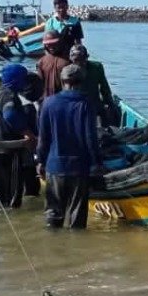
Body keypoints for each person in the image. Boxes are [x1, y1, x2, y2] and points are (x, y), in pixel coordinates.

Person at [37, 65, 103, 228]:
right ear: (81, 81)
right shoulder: (86, 104)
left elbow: (43, 138)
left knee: (53, 215)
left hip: (54, 166)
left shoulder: (48, 103)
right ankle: (76, 250)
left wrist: (40, 161)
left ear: (62, 80)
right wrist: (97, 164)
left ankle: (52, 248)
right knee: (77, 219)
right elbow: (90, 137)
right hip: (79, 168)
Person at [0, 64, 37, 208]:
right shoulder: (9, 96)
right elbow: (10, 115)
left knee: (0, 194)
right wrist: (27, 133)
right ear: (17, 80)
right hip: (7, 151)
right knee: (13, 197)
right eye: (24, 79)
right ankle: (15, 224)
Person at [68, 44, 116, 125]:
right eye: (76, 60)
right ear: (71, 59)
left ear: (86, 57)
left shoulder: (96, 67)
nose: (79, 63)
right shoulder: (67, 71)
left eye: (82, 59)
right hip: (76, 108)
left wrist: (109, 104)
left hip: (94, 106)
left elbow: (105, 89)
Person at [36, 30, 71, 99]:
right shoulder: (41, 62)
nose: (51, 47)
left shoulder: (69, 61)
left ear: (60, 43)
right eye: (48, 44)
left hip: (60, 100)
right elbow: (39, 85)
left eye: (54, 44)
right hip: (51, 100)